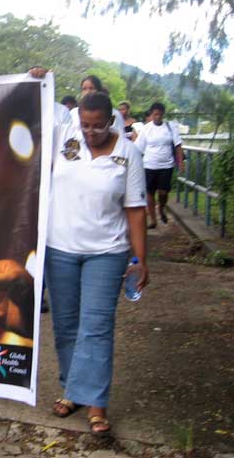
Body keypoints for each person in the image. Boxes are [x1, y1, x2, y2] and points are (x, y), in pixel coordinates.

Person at [30, 73, 148, 435]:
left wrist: (141, 259)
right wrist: (37, 79)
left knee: (96, 328)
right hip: (60, 248)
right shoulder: (65, 136)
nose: (90, 132)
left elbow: (136, 209)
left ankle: (96, 405)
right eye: (85, 124)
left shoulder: (128, 154)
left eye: (97, 126)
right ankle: (73, 391)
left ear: (111, 121)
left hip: (107, 252)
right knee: (66, 327)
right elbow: (34, 105)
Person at [134, 102, 184, 229]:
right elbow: (138, 148)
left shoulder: (170, 127)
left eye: (160, 115)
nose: (158, 117)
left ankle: (161, 207)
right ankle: (153, 220)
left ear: (163, 115)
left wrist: (180, 163)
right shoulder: (146, 129)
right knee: (150, 193)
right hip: (149, 165)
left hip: (166, 165)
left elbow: (178, 145)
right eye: (155, 114)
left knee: (163, 192)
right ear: (151, 115)